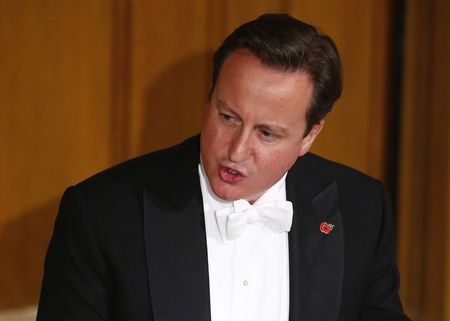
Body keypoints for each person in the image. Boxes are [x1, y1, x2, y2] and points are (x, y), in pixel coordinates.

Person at [37, 13, 410, 321]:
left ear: (310, 136)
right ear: (209, 99)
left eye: (267, 133)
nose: (236, 150)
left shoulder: (359, 208)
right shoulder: (102, 214)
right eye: (228, 117)